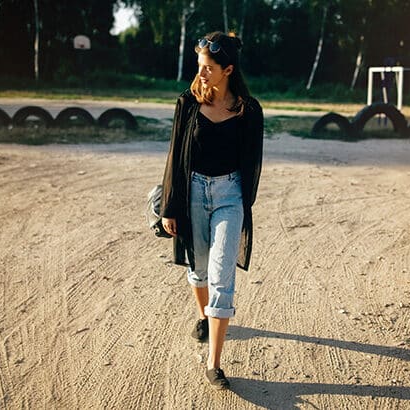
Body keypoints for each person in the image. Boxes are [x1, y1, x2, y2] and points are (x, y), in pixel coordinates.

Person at [160, 31, 263, 390]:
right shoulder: (187, 103)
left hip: (229, 195)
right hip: (191, 193)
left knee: (222, 276)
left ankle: (214, 364)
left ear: (228, 70)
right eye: (200, 66)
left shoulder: (249, 110)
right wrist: (169, 207)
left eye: (209, 68)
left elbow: (253, 163)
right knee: (199, 266)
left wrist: (241, 207)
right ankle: (203, 317)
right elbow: (175, 157)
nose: (201, 74)